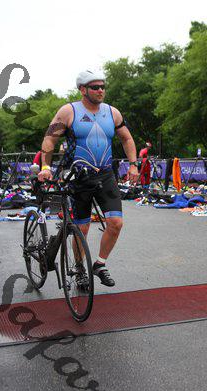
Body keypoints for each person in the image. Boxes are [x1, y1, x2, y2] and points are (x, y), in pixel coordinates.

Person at [38, 70, 139, 287]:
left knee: (116, 223)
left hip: (105, 174)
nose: (100, 90)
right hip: (77, 177)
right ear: (83, 90)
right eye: (95, 87)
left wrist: (133, 164)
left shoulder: (112, 112)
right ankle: (79, 267)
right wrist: (45, 167)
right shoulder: (68, 111)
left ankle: (99, 264)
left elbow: (127, 139)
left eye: (103, 86)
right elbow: (49, 139)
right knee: (82, 229)